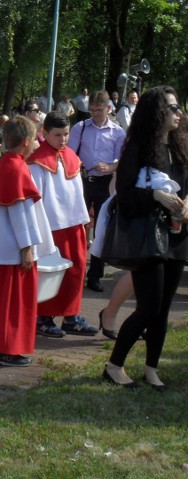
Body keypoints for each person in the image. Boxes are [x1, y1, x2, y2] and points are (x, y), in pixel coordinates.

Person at [102, 86, 188, 390]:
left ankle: (151, 369)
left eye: (178, 107)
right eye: (172, 108)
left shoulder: (179, 146)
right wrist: (156, 196)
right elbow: (124, 197)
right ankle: (114, 366)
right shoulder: (137, 147)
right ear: (156, 112)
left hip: (177, 234)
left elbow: (185, 185)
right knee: (148, 307)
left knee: (163, 309)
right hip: (147, 237)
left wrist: (184, 207)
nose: (178, 113)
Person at [0, 117, 54, 367]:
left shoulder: (2, 165)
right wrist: (27, 248)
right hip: (13, 250)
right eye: (36, 140)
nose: (38, 144)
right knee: (12, 302)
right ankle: (5, 349)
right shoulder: (17, 168)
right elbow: (21, 212)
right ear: (26, 142)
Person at [27, 112, 96, 338]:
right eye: (57, 135)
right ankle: (43, 317)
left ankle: (71, 316)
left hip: (74, 223)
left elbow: (78, 193)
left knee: (76, 271)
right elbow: (35, 199)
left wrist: (86, 217)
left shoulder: (71, 157)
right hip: (52, 226)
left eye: (66, 134)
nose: (63, 139)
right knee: (52, 273)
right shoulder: (37, 162)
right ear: (44, 133)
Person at [68, 90, 125, 292]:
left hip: (104, 183)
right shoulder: (80, 127)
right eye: (91, 110)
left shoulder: (118, 132)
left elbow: (120, 160)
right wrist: (80, 165)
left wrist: (110, 167)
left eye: (98, 110)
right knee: (77, 227)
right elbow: (69, 155)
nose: (94, 114)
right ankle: (75, 272)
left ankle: (95, 276)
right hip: (82, 182)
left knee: (101, 229)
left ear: (108, 108)